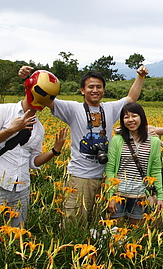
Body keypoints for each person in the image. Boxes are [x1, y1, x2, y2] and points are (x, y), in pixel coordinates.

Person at [18, 64, 149, 226]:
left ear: (103, 90)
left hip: (105, 177)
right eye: (91, 87)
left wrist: (140, 77)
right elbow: (45, 97)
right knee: (74, 221)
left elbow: (131, 98)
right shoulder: (73, 108)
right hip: (80, 177)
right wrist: (27, 80)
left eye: (99, 87)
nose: (95, 90)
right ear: (82, 90)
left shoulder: (110, 108)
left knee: (98, 222)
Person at [0, 70, 68, 245]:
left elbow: (33, 162)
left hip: (21, 189)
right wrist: (11, 130)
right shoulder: (2, 111)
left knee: (14, 240)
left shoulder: (39, 128)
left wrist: (54, 151)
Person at [104, 102, 163, 226]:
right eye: (126, 117)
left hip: (140, 195)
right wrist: (110, 196)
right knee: (115, 232)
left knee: (136, 233)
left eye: (134, 116)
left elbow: (156, 170)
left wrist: (160, 196)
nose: (130, 120)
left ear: (141, 117)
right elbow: (110, 169)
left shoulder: (154, 141)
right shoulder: (117, 140)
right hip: (118, 194)